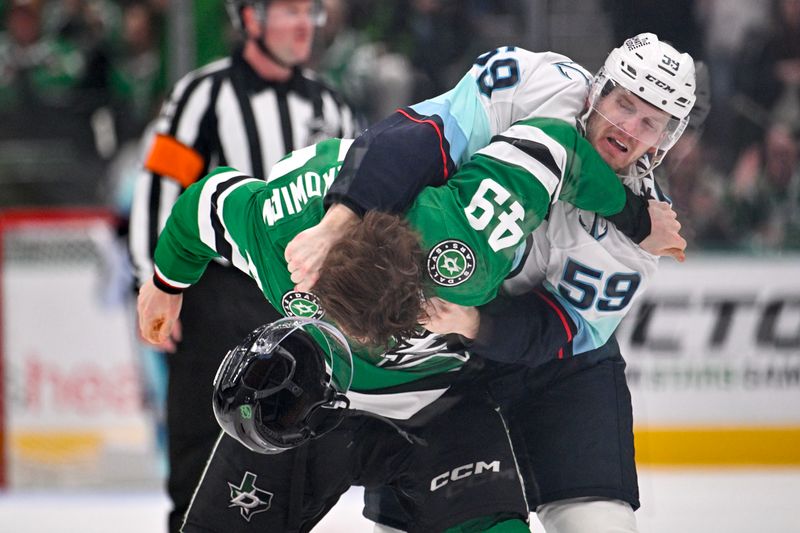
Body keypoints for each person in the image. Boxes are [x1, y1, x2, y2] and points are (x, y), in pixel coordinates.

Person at [136, 104, 656, 531]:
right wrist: (165, 284)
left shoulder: (463, 244)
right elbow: (202, 205)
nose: (378, 344)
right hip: (308, 397)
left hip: (441, 404)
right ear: (309, 287)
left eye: (401, 328)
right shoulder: (278, 235)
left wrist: (634, 216)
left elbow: (553, 146)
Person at [281, 33, 696, 533]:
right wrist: (339, 220)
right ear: (597, 91)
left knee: (598, 523)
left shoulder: (637, 245)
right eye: (623, 103)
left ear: (665, 139)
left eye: (650, 121)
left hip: (556, 373)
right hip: (439, 359)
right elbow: (411, 141)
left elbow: (560, 329)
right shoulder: (529, 83)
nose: (628, 127)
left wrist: (479, 323)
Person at [127, 1, 359, 531]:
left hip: (302, 293)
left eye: (313, 12)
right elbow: (162, 185)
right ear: (251, 19)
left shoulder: (331, 102)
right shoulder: (202, 95)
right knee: (203, 435)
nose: (306, 25)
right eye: (291, 12)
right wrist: (155, 278)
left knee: (293, 435)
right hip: (215, 290)